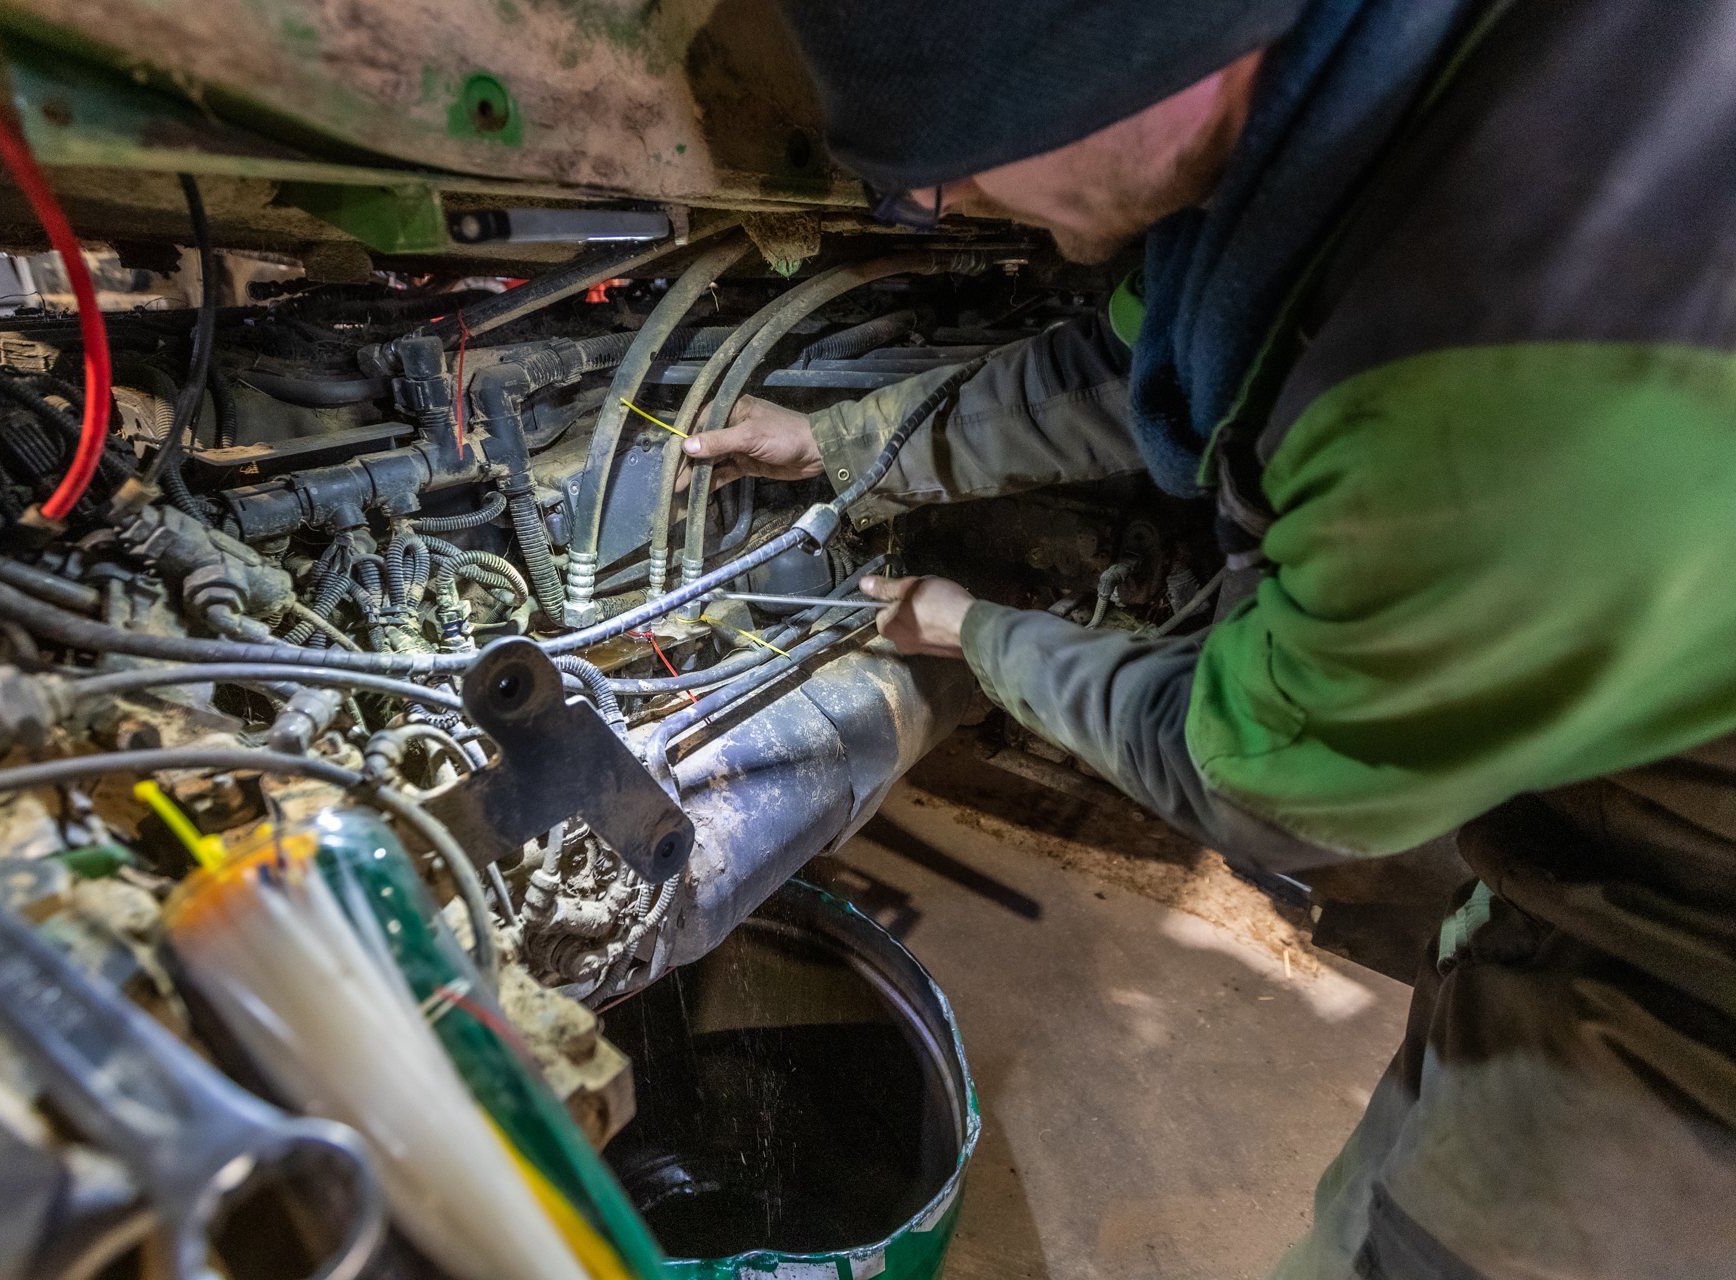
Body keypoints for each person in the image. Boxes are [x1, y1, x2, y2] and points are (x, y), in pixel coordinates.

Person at [681, 1, 1736, 1276]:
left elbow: (1251, 775)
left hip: (1692, 957)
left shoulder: (1492, 381)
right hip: (1589, 801)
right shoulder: (1348, 117)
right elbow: (1131, 369)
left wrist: (972, 630)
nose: (945, 203)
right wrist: (842, 441)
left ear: (1119, 55)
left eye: (952, 157)